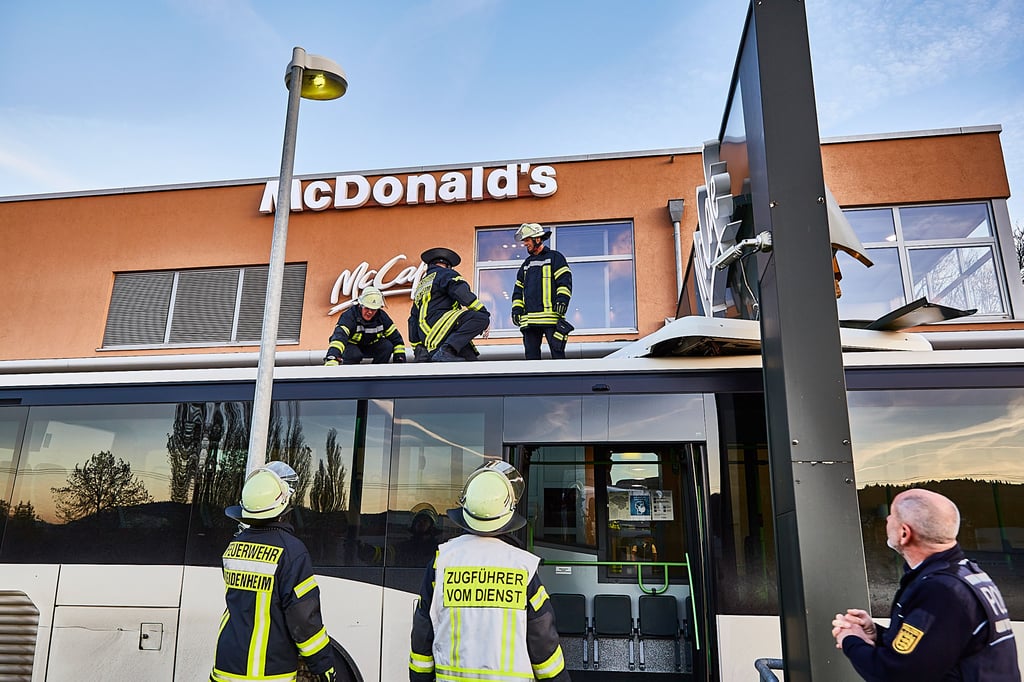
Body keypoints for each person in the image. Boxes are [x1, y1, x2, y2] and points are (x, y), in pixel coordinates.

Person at [831, 488, 1019, 680]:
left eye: (892, 516)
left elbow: (896, 674)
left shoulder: (940, 590)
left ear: (904, 533)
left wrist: (851, 639)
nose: (887, 520)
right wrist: (877, 634)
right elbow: (930, 648)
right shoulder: (965, 574)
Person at [408, 461, 570, 681]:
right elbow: (543, 644)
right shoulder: (522, 567)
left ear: (465, 510)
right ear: (508, 513)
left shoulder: (441, 563)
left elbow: (422, 638)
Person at [211, 461, 338, 682]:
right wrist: (323, 665)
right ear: (284, 506)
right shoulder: (291, 551)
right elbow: (304, 621)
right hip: (268, 674)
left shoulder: (234, 547)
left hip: (226, 667)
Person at [408, 247, 490, 362]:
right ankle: (446, 350)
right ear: (448, 265)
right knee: (480, 318)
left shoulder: (420, 286)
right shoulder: (446, 274)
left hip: (427, 337)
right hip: (440, 328)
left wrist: (418, 348)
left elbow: (412, 319)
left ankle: (447, 350)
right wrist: (483, 312)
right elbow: (461, 292)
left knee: (470, 360)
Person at [511, 223, 573, 360]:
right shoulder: (526, 264)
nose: (525, 244)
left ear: (537, 239)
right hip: (530, 321)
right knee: (531, 360)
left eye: (527, 240)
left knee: (558, 357)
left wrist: (562, 301)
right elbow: (518, 290)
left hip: (551, 318)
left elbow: (564, 281)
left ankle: (562, 381)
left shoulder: (555, 258)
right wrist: (516, 309)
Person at [324, 285, 407, 365]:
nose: (370, 312)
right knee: (354, 354)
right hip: (351, 347)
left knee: (387, 346)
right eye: (367, 308)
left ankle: (378, 374)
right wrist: (333, 357)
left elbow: (396, 339)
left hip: (371, 346)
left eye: (373, 309)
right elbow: (339, 337)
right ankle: (351, 375)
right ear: (360, 305)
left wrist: (400, 359)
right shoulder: (349, 316)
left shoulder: (382, 318)